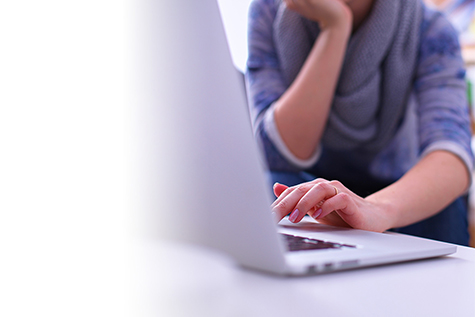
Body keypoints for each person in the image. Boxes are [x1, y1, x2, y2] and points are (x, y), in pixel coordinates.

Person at [245, 0, 474, 245]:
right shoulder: (270, 11)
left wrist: (375, 208)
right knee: (279, 187)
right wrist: (334, 28)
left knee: (442, 208)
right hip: (307, 182)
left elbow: (452, 155)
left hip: (400, 188)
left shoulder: (429, 27)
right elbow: (278, 152)